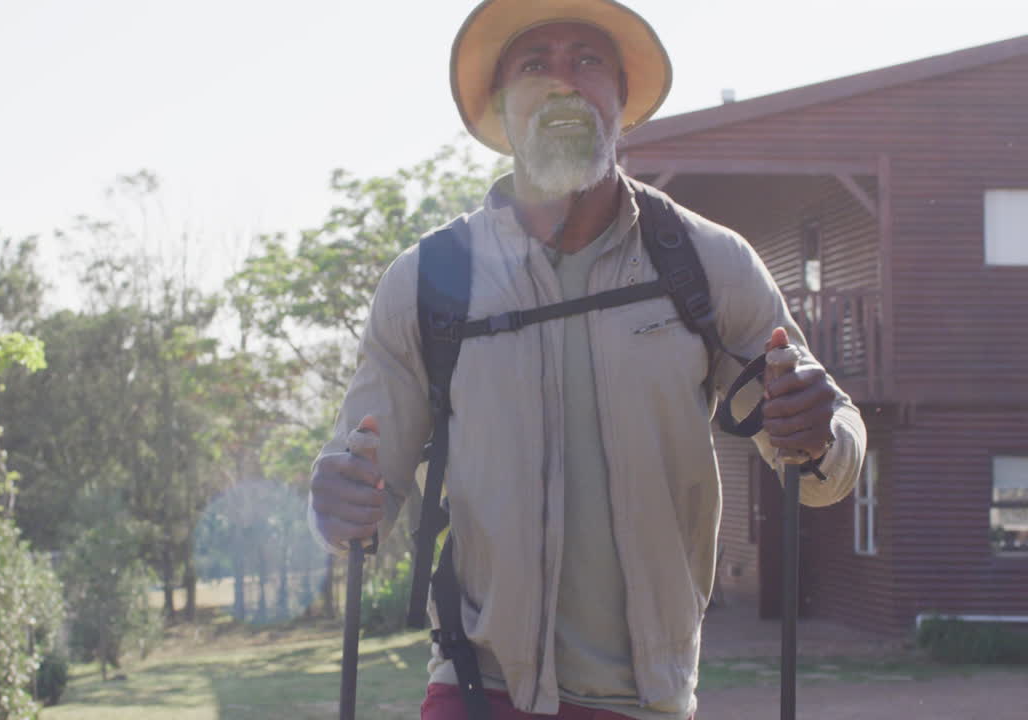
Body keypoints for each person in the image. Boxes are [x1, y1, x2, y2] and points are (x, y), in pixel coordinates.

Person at [308, 1, 867, 718]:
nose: (564, 83)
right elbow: (360, 488)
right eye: (535, 65)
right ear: (502, 104)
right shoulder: (426, 283)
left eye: (588, 60)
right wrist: (337, 501)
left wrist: (819, 435)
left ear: (621, 95)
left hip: (650, 699)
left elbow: (821, 464)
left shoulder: (708, 264)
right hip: (478, 690)